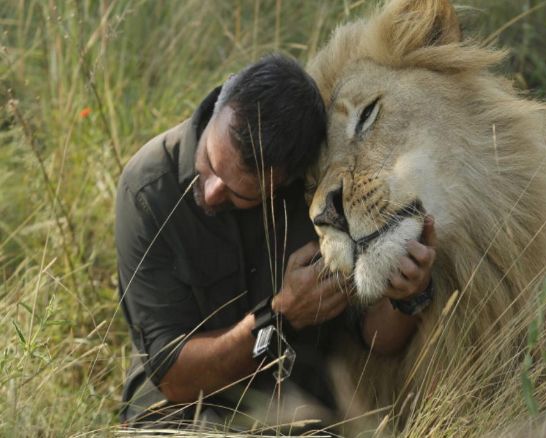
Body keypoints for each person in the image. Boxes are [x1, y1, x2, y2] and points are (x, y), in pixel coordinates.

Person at [115, 53, 436, 430]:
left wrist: (407, 294)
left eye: (240, 194)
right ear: (221, 104)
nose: (212, 191)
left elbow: (376, 339)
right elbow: (174, 377)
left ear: (284, 182)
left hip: (296, 415)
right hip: (179, 413)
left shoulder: (315, 196)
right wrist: (281, 315)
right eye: (209, 162)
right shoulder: (148, 189)